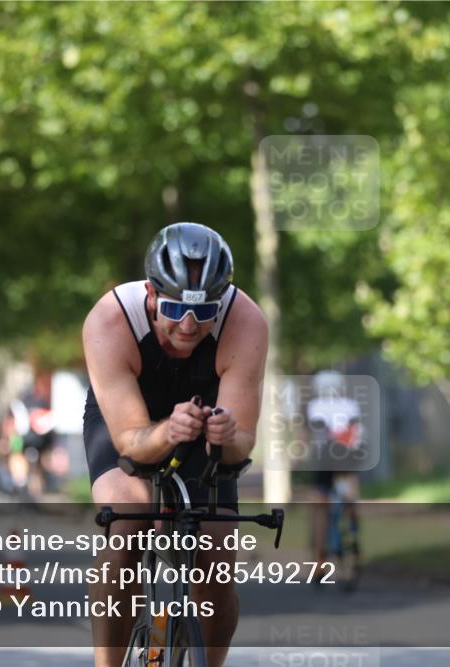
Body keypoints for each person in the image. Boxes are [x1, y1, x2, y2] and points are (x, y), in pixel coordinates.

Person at [82, 222, 268, 667]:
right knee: (127, 522)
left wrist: (227, 437)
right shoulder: (109, 321)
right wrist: (167, 432)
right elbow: (130, 442)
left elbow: (242, 445)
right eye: (174, 309)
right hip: (129, 418)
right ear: (150, 292)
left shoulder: (246, 321)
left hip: (204, 423)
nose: (188, 325)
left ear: (220, 300)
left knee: (219, 551)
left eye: (205, 312)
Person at [305, 370, 363, 572]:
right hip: (347, 460)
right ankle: (354, 530)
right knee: (350, 493)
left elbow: (314, 433)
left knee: (320, 507)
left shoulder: (314, 406)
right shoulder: (350, 405)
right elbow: (357, 433)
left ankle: (320, 561)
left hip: (325, 462)